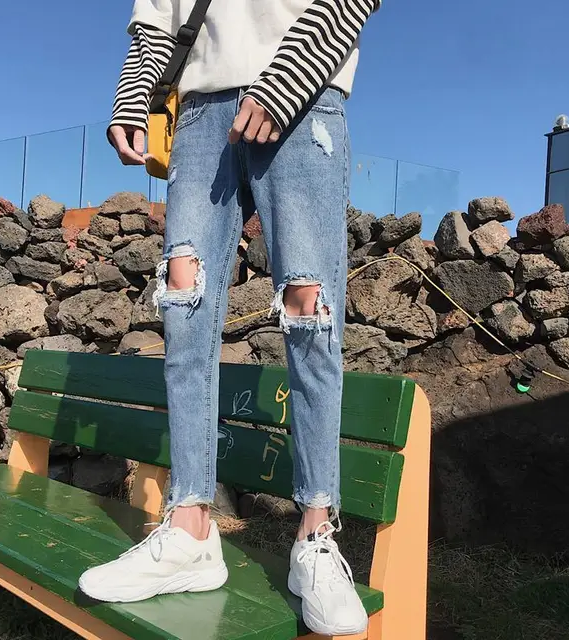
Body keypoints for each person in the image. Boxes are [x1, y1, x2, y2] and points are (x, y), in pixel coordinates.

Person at [79, 0, 381, 634]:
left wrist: (285, 79)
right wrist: (134, 95)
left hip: (304, 92)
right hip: (200, 112)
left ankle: (316, 537)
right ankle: (190, 528)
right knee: (183, 302)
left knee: (309, 308)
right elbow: (158, 18)